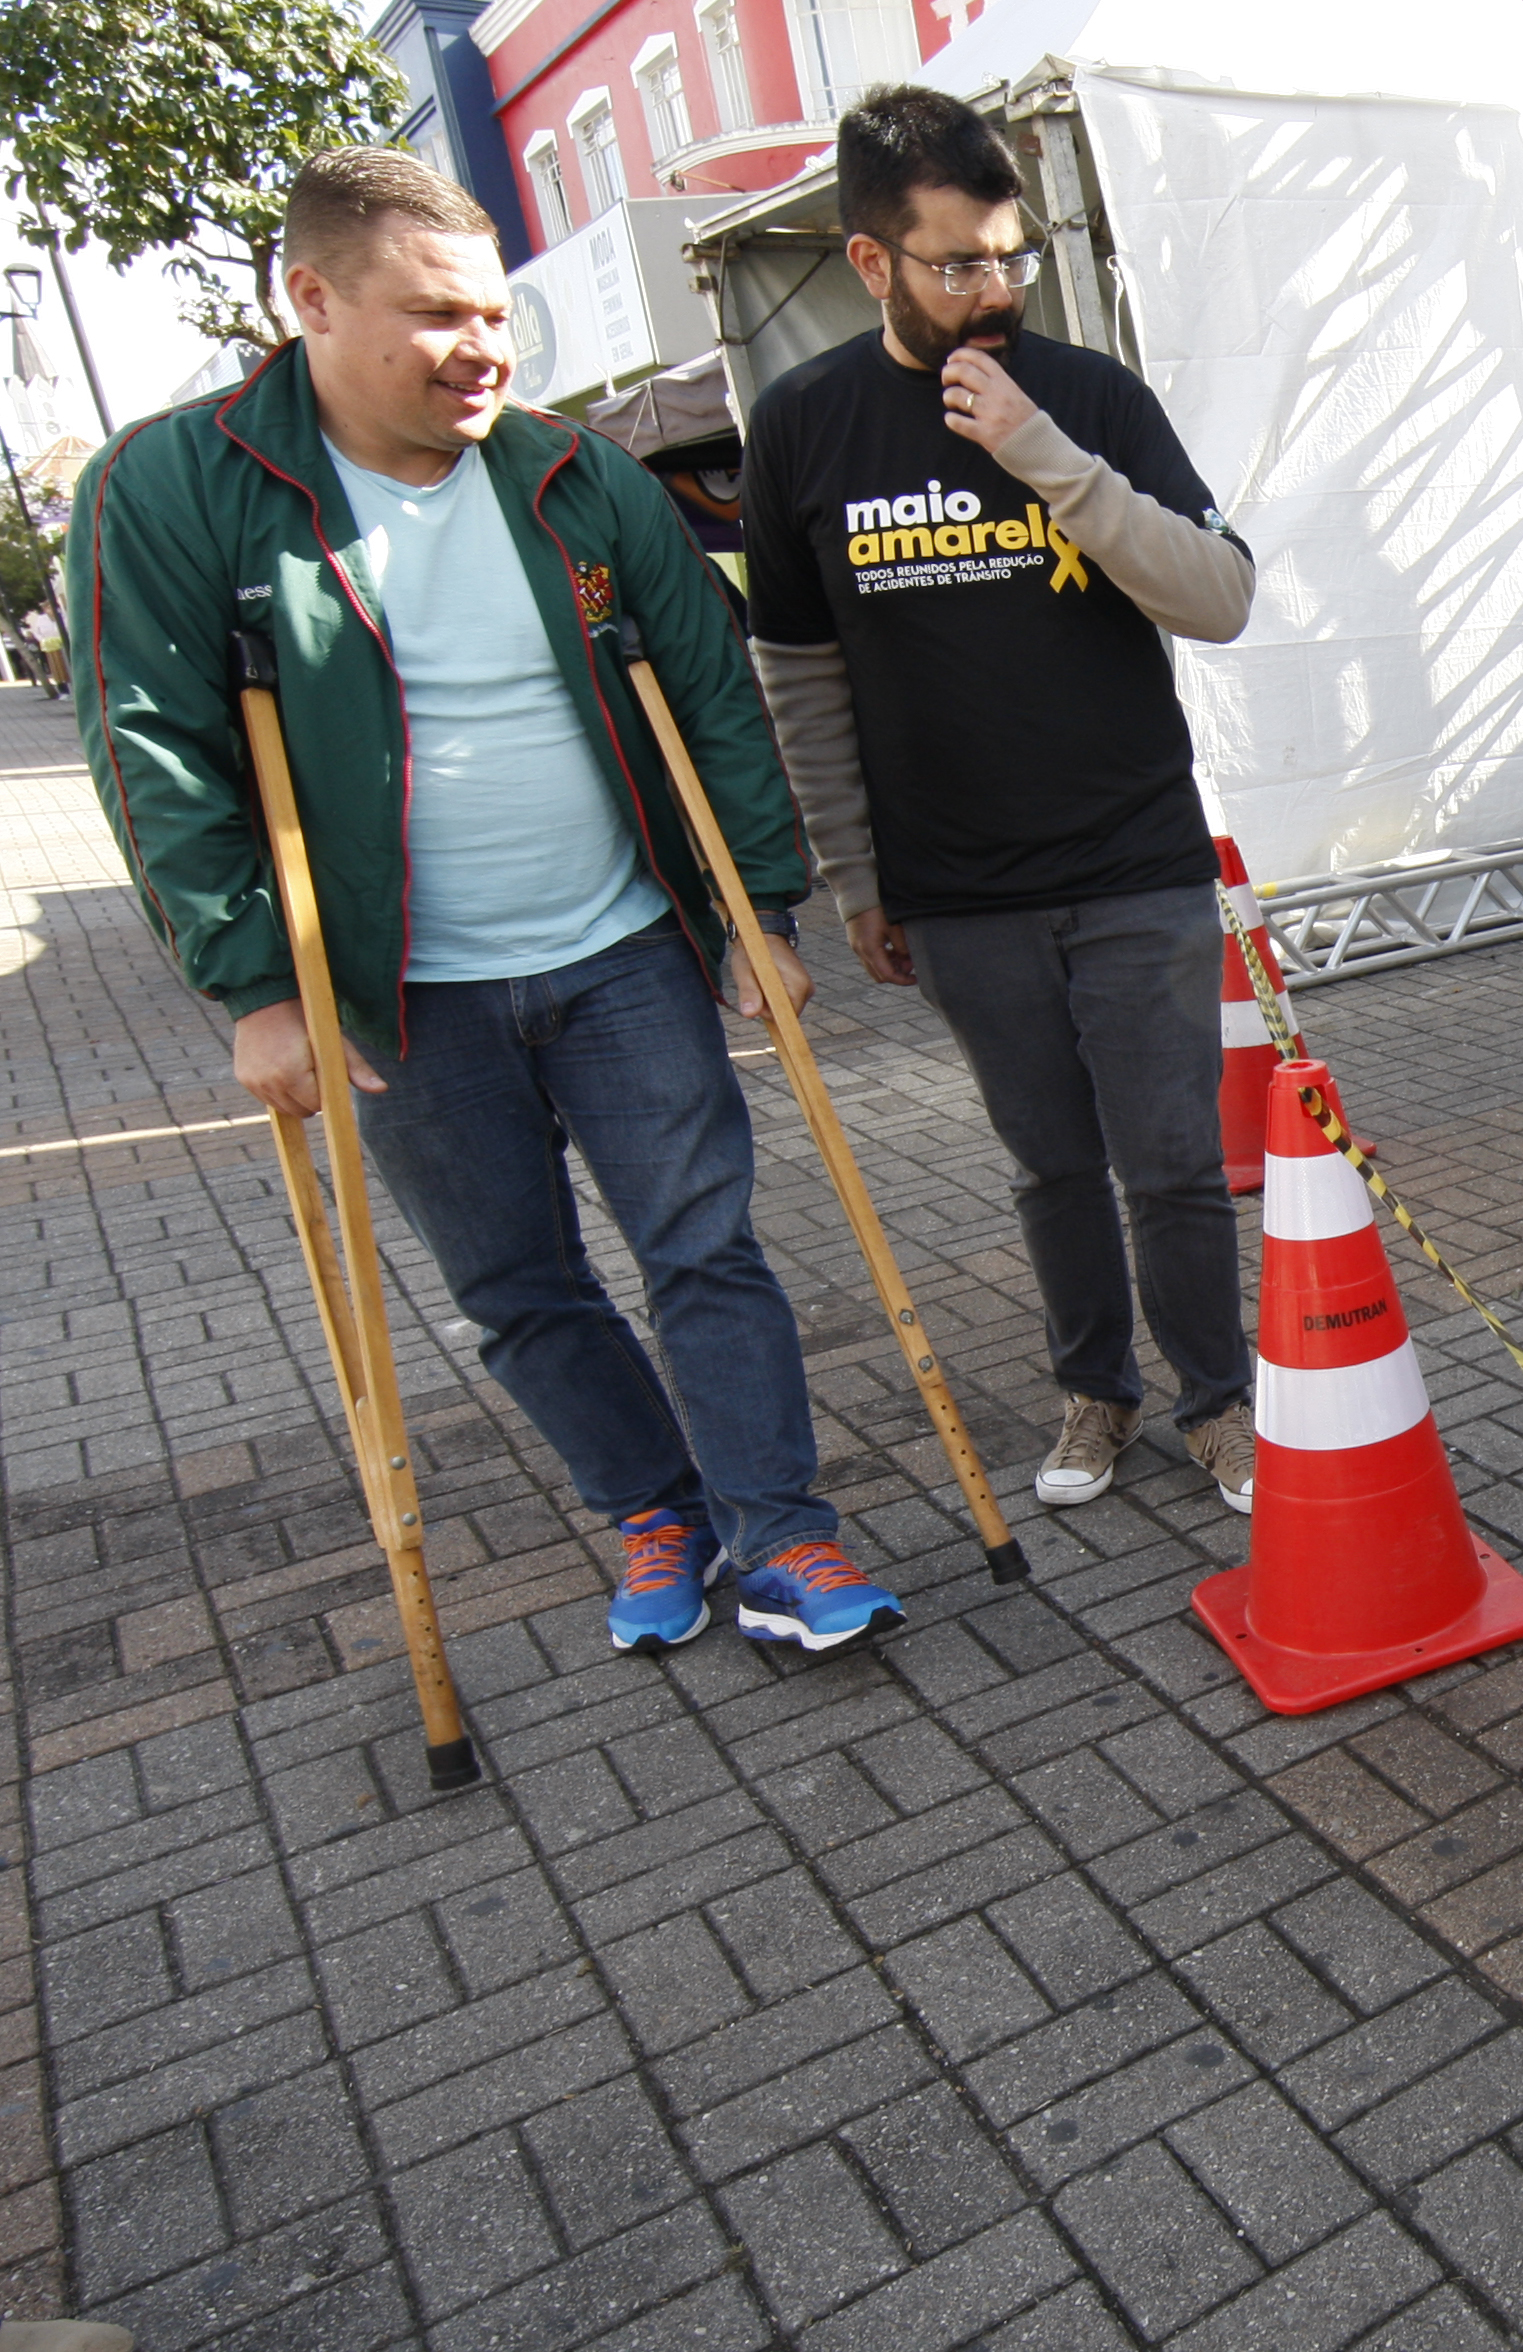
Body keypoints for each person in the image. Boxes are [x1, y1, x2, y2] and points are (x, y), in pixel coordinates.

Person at [70, 148, 896, 1656]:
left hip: (621, 949)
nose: (485, 351)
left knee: (706, 1246)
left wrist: (757, 909)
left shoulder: (570, 477)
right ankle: (658, 1503)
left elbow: (710, 694)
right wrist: (253, 983)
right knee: (518, 1285)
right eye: (437, 314)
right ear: (311, 299)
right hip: (397, 988)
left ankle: (783, 1533)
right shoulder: (177, 486)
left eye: (497, 316)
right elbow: (154, 751)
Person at [742, 87, 1261, 1517]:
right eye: (956, 263)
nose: (991, 290)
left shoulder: (1086, 398)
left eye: (1011, 257)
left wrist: (1038, 451)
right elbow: (799, 675)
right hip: (957, 890)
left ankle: (1219, 1403)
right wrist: (854, 876)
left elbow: (1218, 596)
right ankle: (1097, 1393)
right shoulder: (802, 425)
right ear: (870, 262)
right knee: (1051, 1171)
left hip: (1136, 863)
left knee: (1173, 1166)